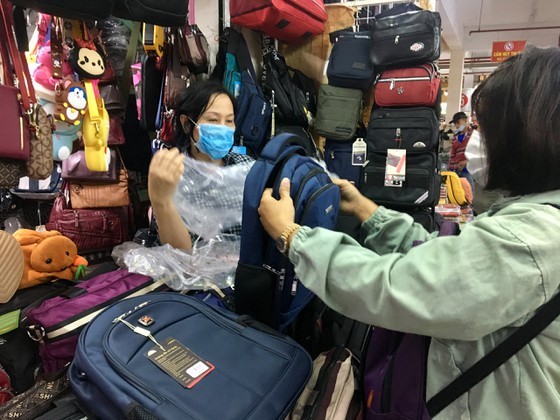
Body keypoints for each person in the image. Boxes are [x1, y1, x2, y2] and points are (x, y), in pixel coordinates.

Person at [258, 46, 560, 419]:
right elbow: (443, 261)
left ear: (527, 139)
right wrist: (371, 214)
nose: (474, 141)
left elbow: (392, 288)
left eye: (486, 129)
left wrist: (293, 238)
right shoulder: (535, 220)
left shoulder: (533, 238)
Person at [148, 80, 253, 251]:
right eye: (213, 119)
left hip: (246, 274)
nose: (223, 128)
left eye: (229, 121)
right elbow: (179, 254)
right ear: (187, 123)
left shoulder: (247, 169)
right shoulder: (172, 173)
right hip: (197, 275)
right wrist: (161, 202)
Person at [449, 111, 475, 191]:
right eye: (455, 123)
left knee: (468, 196)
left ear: (465, 120)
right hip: (454, 171)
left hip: (467, 171)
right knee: (455, 196)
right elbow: (452, 155)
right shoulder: (455, 137)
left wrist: (467, 161)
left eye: (458, 122)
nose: (456, 125)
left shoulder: (474, 135)